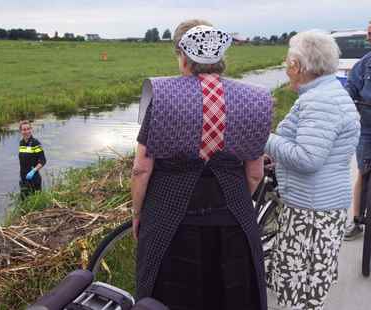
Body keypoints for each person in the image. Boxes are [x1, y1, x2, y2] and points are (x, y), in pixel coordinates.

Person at [132, 19, 273, 310]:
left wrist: (137, 212)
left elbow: (141, 169)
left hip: (169, 224)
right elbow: (255, 173)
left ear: (183, 58)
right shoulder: (256, 99)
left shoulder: (162, 96)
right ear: (222, 59)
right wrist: (234, 200)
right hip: (232, 223)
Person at [265, 31, 360, 310]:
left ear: (298, 66)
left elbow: (308, 158)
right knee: (306, 287)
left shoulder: (321, 101)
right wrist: (278, 155)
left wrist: (264, 139)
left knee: (300, 290)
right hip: (316, 205)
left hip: (312, 212)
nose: (285, 67)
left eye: (287, 62)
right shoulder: (325, 93)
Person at [344, 20, 371, 241]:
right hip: (367, 127)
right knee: (363, 172)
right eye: (369, 34)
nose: (369, 38)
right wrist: (348, 101)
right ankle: (356, 221)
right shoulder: (363, 65)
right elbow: (349, 89)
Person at [18, 120, 46, 198]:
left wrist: (33, 171)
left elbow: (43, 160)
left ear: (31, 129)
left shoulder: (35, 143)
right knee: (23, 201)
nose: (26, 131)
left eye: (28, 129)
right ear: (21, 131)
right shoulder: (21, 143)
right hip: (23, 179)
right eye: (24, 129)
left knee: (35, 202)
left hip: (34, 178)